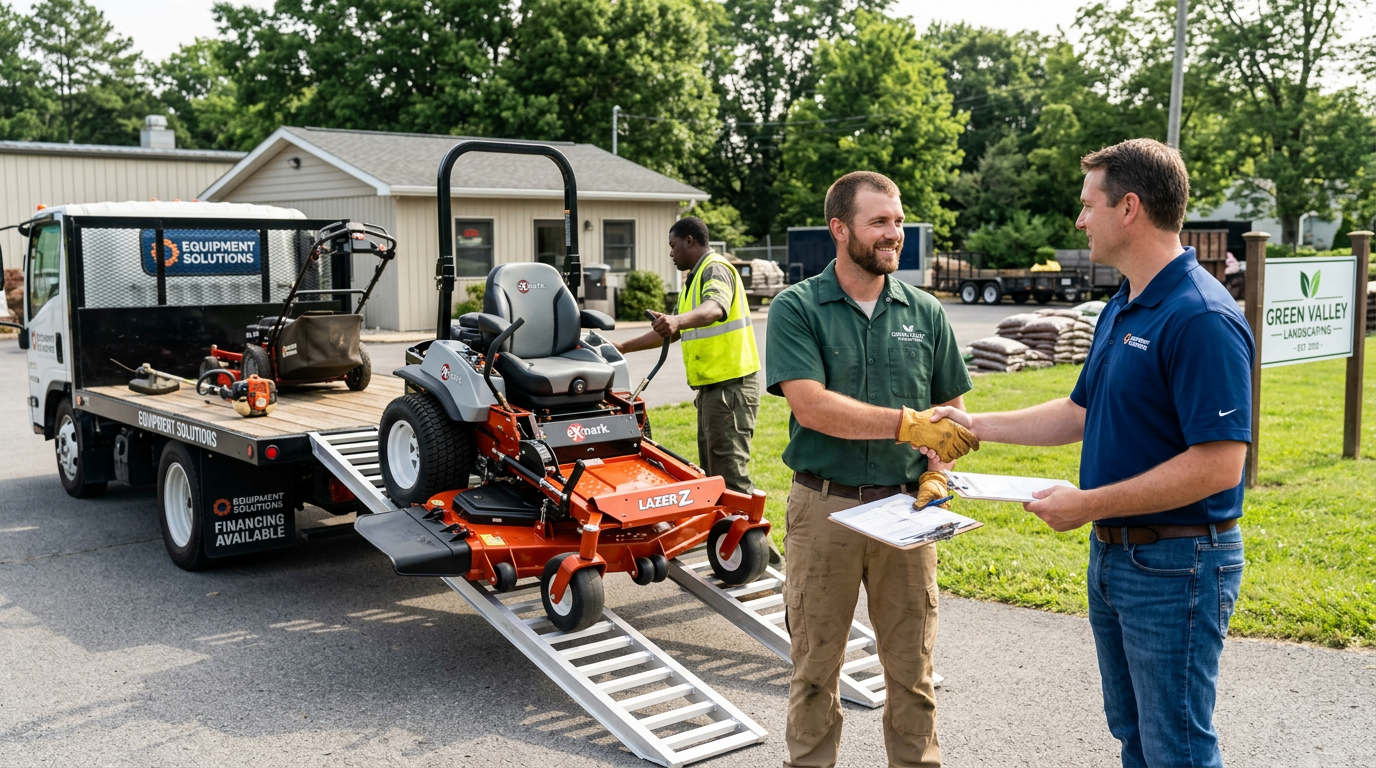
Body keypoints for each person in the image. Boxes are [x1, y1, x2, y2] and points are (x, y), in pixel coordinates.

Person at [931, 138, 1253, 768]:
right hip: (1117, 559)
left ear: (1128, 208)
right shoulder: (1120, 306)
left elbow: (1220, 463)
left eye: (1088, 206)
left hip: (1178, 563)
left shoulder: (1199, 316)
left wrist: (1088, 504)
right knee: (1135, 737)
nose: (1079, 221)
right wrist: (971, 425)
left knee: (1176, 748)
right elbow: (1079, 412)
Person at [766, 171, 977, 768]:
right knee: (814, 672)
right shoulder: (797, 307)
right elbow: (811, 405)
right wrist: (909, 425)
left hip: (908, 511)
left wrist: (939, 465)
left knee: (913, 673)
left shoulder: (926, 311)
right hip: (825, 508)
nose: (895, 233)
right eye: (879, 222)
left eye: (899, 221)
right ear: (840, 229)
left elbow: (955, 419)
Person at [615, 216, 761, 494]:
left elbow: (715, 308)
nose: (670, 253)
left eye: (673, 245)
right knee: (713, 476)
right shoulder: (692, 282)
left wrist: (678, 321)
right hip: (713, 391)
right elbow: (671, 332)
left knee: (731, 478)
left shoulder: (715, 269)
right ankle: (723, 536)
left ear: (690, 241)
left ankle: (755, 538)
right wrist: (622, 347)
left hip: (730, 389)